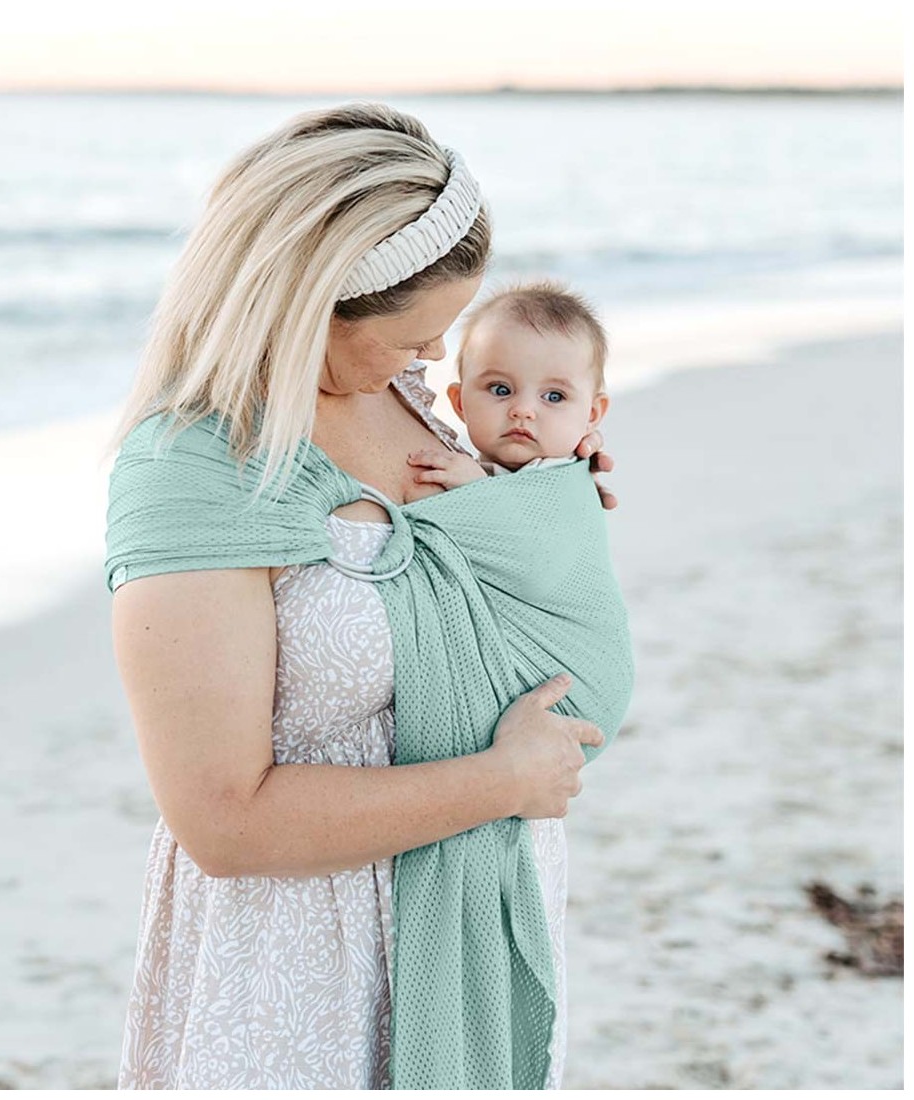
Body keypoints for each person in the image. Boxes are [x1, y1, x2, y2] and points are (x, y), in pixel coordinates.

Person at [104, 103, 616, 1091]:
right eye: (412, 336)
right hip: (302, 965)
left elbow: (469, 575)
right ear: (309, 308)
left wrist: (546, 496)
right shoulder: (192, 475)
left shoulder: (398, 395)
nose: (432, 361)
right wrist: (502, 783)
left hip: (467, 914)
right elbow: (224, 821)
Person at [406, 280, 610, 485]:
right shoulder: (465, 468)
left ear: (591, 414)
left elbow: (537, 506)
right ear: (460, 403)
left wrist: (476, 487)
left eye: (554, 396)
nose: (522, 411)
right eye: (500, 390)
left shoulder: (563, 478)